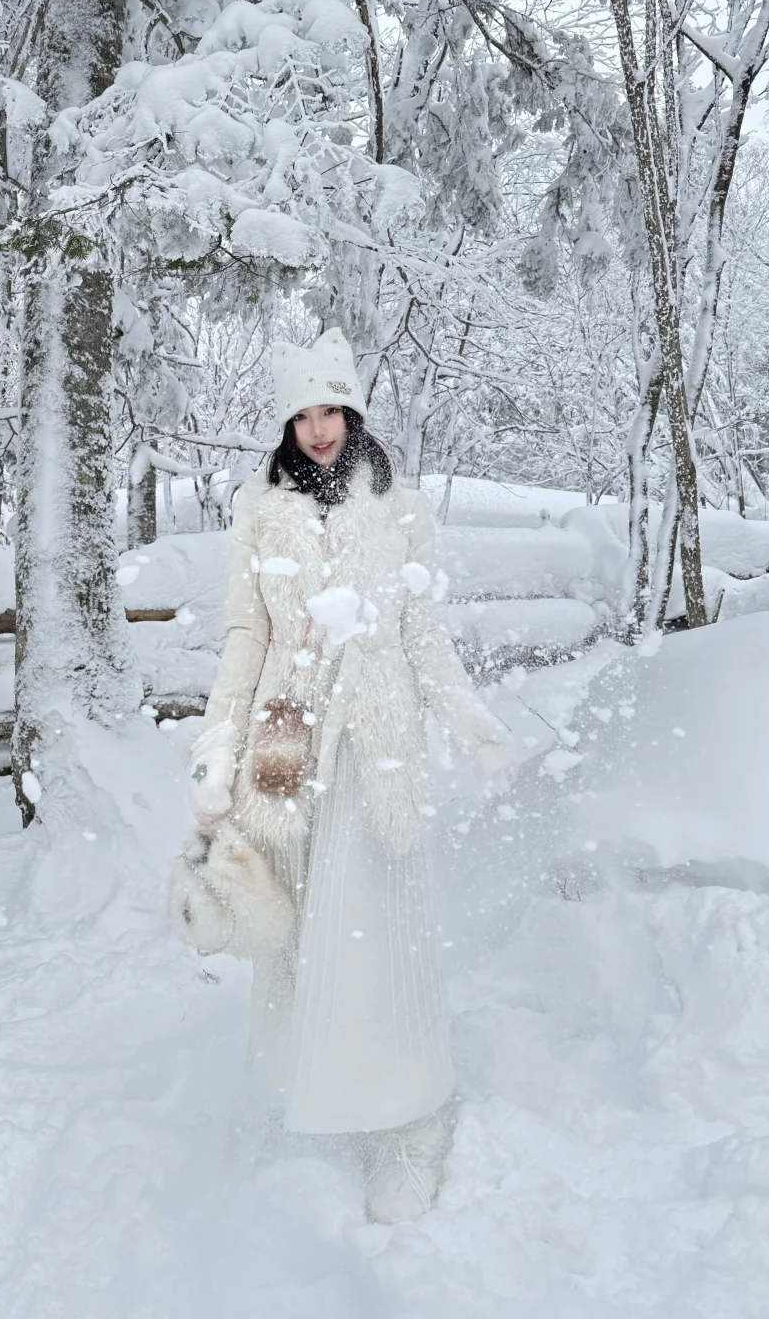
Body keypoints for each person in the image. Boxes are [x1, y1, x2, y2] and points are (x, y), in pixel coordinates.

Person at [179, 329, 514, 1223]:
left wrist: (471, 722)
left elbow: (421, 634)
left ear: (354, 410)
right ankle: (326, 1092)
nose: (320, 428)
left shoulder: (399, 507)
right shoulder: (260, 511)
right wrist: (218, 745)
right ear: (286, 421)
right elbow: (246, 637)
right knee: (303, 933)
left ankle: (410, 1118)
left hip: (376, 736)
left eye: (332, 408)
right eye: (303, 411)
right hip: (288, 738)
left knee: (375, 925)